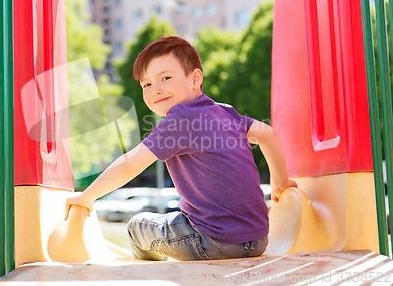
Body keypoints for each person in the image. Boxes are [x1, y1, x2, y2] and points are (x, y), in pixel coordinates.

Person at [64, 36, 297, 261]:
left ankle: (157, 274)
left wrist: (85, 197)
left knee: (137, 227)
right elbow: (268, 134)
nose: (155, 89)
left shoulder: (181, 118)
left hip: (211, 240)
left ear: (195, 78)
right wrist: (281, 181)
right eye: (147, 84)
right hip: (257, 240)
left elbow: (130, 164)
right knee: (175, 220)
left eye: (165, 78)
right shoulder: (225, 112)